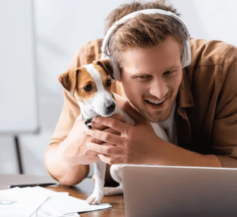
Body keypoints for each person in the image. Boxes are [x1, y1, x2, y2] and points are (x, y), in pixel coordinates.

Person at [44, 0, 237, 186]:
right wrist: (68, 155)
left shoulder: (224, 68)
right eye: (142, 77)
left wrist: (156, 152)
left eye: (170, 72)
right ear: (116, 72)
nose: (159, 92)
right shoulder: (90, 70)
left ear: (184, 57)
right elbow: (59, 165)